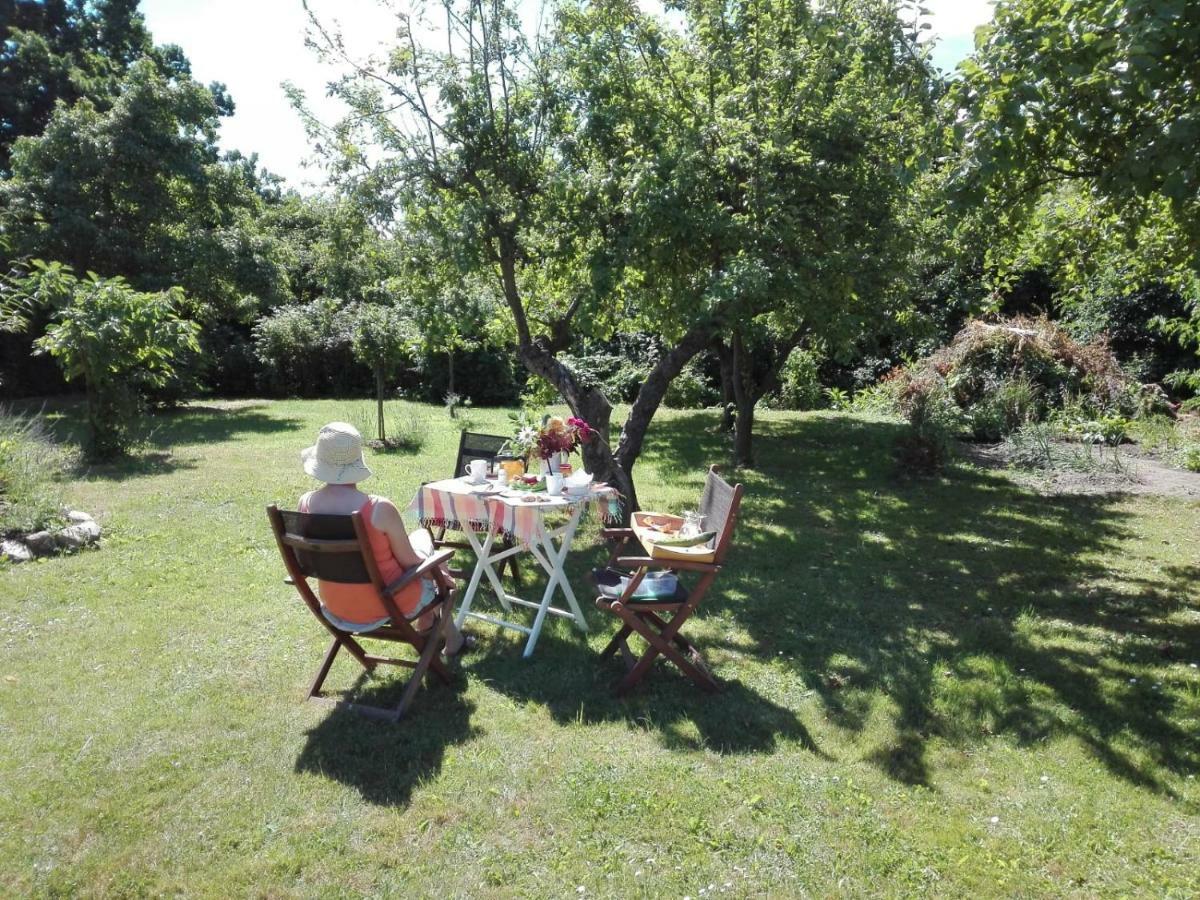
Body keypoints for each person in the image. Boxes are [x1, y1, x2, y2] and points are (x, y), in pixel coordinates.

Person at [298, 422, 473, 656]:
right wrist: (439, 573)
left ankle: (437, 630)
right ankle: (443, 634)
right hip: (387, 602)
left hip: (336, 605)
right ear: (356, 461)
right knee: (427, 547)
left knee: (421, 539)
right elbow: (411, 562)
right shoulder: (378, 509)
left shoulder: (306, 504)